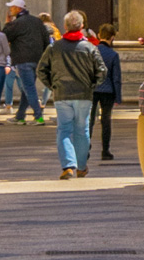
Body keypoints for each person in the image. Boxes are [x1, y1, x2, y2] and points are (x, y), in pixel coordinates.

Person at [37, 10, 106, 179]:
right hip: (83, 94)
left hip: (62, 94)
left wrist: (53, 86)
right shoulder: (89, 47)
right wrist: (92, 85)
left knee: (64, 130)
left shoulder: (54, 47)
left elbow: (41, 69)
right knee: (82, 130)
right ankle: (81, 166)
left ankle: (68, 165)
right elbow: (102, 71)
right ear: (81, 26)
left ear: (65, 26)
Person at [3, 0, 51, 125]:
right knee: (26, 87)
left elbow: (5, 36)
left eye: (12, 7)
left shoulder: (17, 23)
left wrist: (8, 23)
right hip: (37, 59)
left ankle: (38, 116)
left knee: (29, 87)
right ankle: (20, 116)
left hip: (23, 59)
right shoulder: (37, 21)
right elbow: (46, 40)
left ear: (19, 9)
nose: (10, 10)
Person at [92, 23, 124, 161]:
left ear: (99, 35)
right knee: (106, 120)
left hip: (92, 89)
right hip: (108, 90)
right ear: (112, 37)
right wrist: (118, 96)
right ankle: (105, 150)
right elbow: (116, 77)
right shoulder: (113, 54)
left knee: (89, 119)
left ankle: (85, 149)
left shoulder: (91, 51)